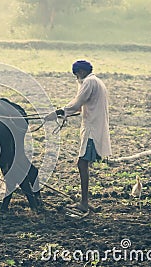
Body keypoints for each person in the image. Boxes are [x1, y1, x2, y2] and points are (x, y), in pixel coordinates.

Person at [45, 60, 112, 212]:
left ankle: (84, 203)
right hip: (93, 125)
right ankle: (85, 201)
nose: (77, 79)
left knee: (82, 164)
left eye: (76, 75)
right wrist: (64, 113)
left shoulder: (88, 82)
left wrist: (57, 113)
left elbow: (76, 104)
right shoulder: (96, 82)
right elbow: (82, 108)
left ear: (80, 72)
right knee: (84, 164)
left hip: (92, 129)